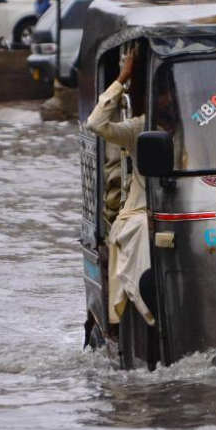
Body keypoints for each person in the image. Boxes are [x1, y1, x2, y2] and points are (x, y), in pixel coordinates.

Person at [86, 45, 156, 328]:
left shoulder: (199, 127)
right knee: (141, 232)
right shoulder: (139, 128)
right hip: (141, 214)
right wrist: (122, 77)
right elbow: (96, 123)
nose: (166, 102)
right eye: (159, 95)